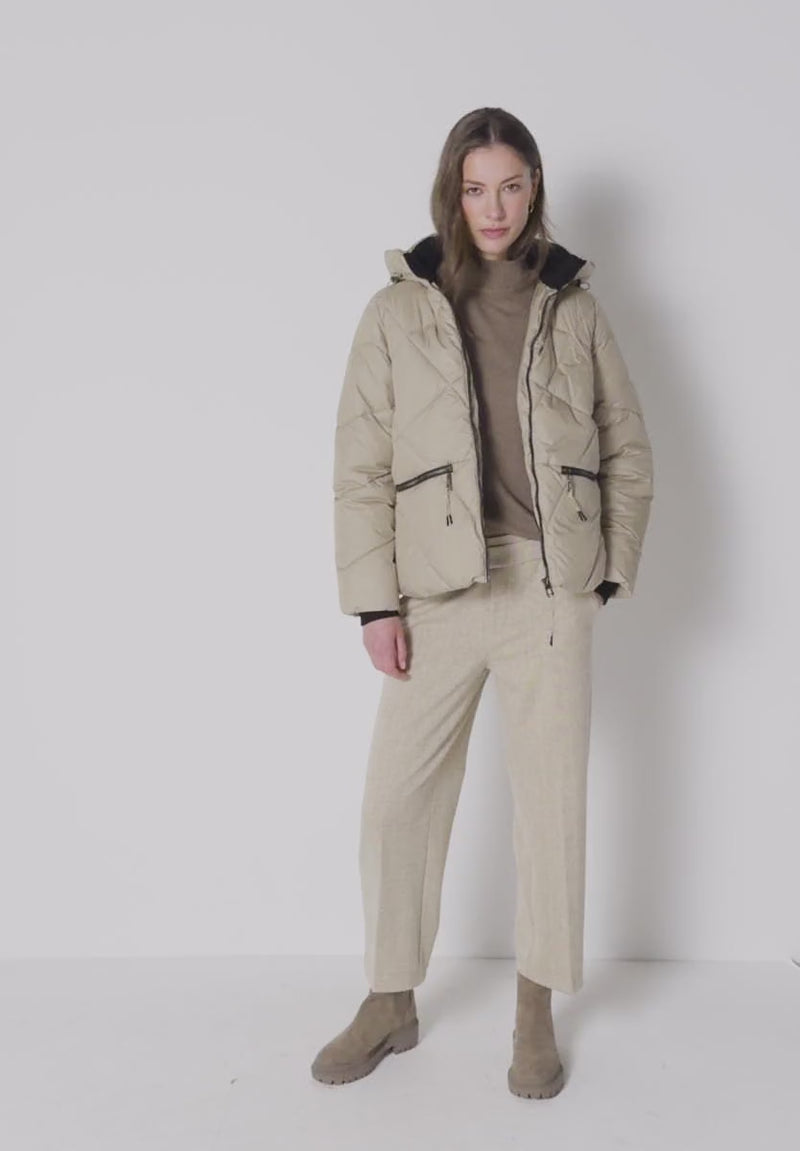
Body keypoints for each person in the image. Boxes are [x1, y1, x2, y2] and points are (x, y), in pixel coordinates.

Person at [311, 107, 654, 1098]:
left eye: (509, 186)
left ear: (533, 187)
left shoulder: (575, 308)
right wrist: (375, 605)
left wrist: (604, 571)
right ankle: (390, 997)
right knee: (395, 803)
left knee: (550, 807)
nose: (493, 207)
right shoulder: (396, 311)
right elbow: (358, 468)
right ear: (450, 195)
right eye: (474, 189)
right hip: (437, 592)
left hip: (549, 589)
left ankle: (534, 1008)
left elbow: (627, 447)